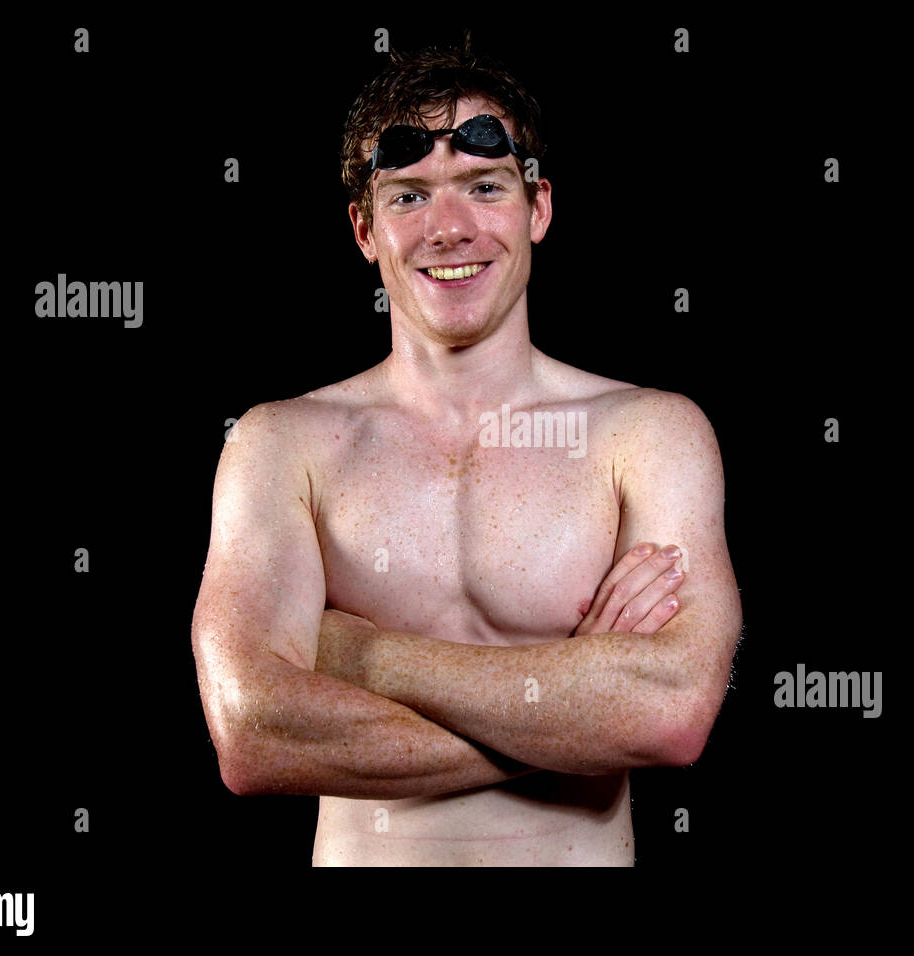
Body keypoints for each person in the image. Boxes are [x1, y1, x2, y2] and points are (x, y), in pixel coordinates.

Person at [190, 39, 742, 865]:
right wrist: (576, 699)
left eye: (485, 188)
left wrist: (359, 656)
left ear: (538, 209)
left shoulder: (649, 435)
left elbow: (671, 713)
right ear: (364, 231)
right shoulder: (281, 445)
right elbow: (256, 735)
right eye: (408, 197)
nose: (449, 229)